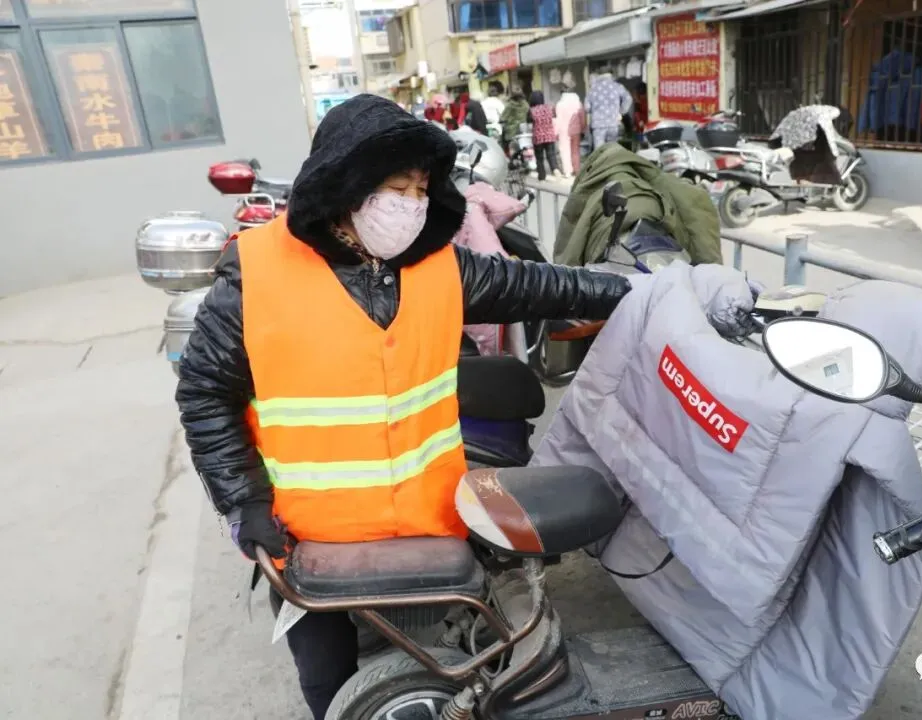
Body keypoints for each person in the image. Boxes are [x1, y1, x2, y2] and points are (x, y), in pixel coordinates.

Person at [174, 94, 631, 720]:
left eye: (422, 188)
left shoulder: (437, 264)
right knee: (330, 683)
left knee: (439, 669)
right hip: (309, 540)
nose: (412, 204)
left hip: (429, 521)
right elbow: (204, 392)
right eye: (397, 187)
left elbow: (538, 285)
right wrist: (243, 501)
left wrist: (633, 292)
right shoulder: (256, 273)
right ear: (348, 187)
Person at [585, 66, 633, 148]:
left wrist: (594, 110)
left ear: (599, 75)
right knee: (612, 149)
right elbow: (628, 99)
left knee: (599, 151)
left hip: (598, 125)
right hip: (613, 123)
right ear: (611, 75)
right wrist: (621, 112)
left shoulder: (593, 89)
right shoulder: (617, 86)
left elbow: (586, 107)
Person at [528, 90, 562, 181]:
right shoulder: (549, 108)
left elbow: (529, 122)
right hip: (550, 135)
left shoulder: (532, 110)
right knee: (551, 155)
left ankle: (542, 176)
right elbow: (554, 119)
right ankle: (555, 170)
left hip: (538, 137)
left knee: (539, 158)